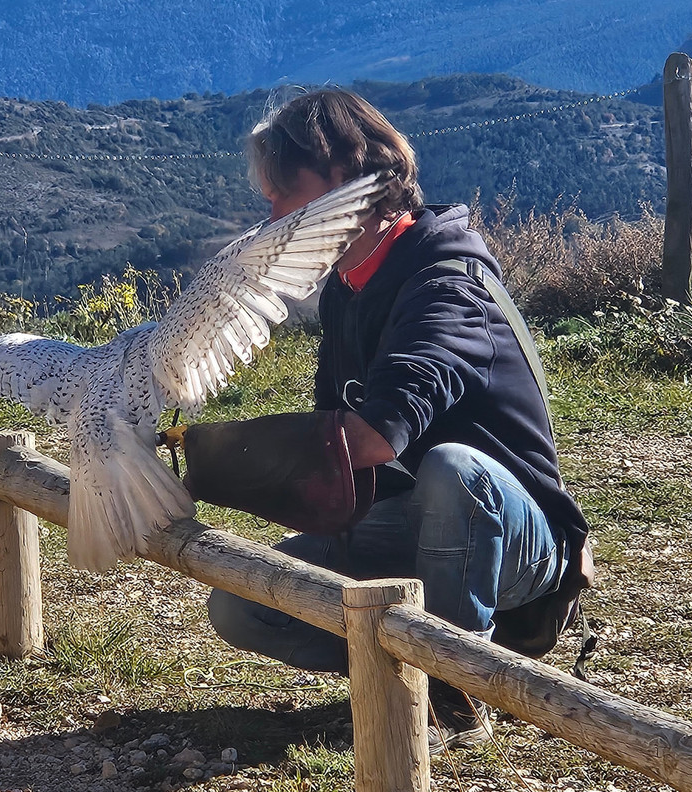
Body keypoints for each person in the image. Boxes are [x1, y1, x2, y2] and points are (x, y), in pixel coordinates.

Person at [185, 88, 590, 754]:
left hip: (514, 544)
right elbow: (329, 453)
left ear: (346, 184)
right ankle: (397, 672)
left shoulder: (444, 282)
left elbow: (370, 439)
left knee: (452, 472)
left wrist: (209, 464)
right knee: (243, 604)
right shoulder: (349, 285)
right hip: (408, 530)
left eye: (286, 192)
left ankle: (454, 697)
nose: (274, 214)